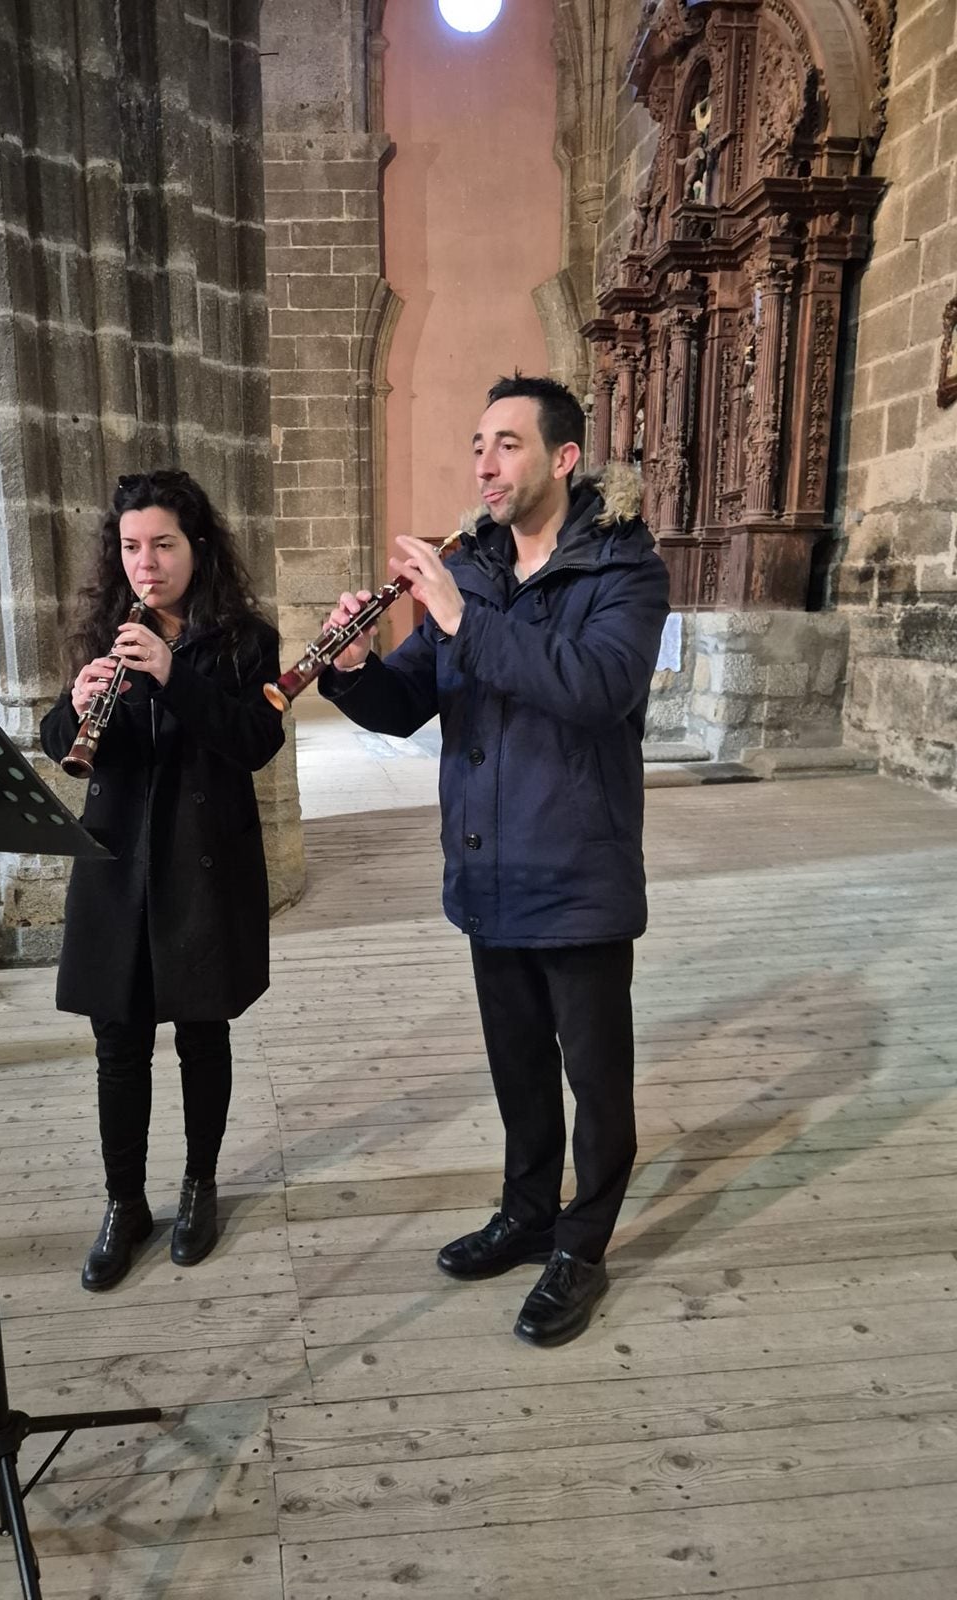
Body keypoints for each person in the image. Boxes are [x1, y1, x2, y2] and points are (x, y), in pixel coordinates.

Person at [319, 374, 669, 1345]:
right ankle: (526, 1213)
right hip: (486, 864)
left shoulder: (624, 569)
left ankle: (582, 1245)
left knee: (595, 1077)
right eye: (478, 443)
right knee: (517, 1064)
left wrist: (468, 621)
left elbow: (596, 687)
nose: (484, 461)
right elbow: (407, 700)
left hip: (580, 868)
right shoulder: (468, 567)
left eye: (507, 443)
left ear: (563, 459)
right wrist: (351, 673)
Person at [40, 469, 284, 1291]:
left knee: (201, 1033)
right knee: (117, 1043)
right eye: (131, 547)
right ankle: (124, 1203)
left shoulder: (247, 640)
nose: (146, 563)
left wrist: (177, 677)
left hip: (201, 860)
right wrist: (76, 705)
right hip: (116, 863)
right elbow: (57, 740)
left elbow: (254, 740)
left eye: (163, 545)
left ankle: (198, 1186)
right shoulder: (106, 628)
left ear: (198, 546)